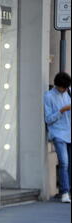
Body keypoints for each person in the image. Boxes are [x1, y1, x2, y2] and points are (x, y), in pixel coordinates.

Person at [44, 72, 71, 203]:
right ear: (57, 85)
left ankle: (66, 191)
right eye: (63, 88)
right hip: (58, 133)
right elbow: (48, 119)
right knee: (64, 163)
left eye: (67, 88)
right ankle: (65, 192)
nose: (65, 90)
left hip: (70, 132)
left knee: (69, 164)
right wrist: (62, 110)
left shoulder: (68, 92)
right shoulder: (49, 96)